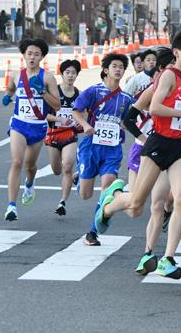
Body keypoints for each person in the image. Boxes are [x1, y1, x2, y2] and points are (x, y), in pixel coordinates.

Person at [94, 31, 181, 279]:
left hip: (180, 149)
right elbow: (154, 108)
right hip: (158, 145)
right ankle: (110, 204)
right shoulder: (169, 75)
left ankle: (168, 258)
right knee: (136, 203)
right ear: (176, 52)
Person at [121, 49, 177, 274]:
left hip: (172, 150)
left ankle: (150, 254)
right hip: (145, 149)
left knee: (163, 202)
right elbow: (128, 118)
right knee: (135, 207)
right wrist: (144, 139)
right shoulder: (152, 89)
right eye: (171, 66)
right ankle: (114, 196)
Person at [71, 53, 133, 245]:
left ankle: (92, 232)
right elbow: (76, 110)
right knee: (85, 194)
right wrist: (86, 125)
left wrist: (126, 126)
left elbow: (127, 120)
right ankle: (78, 178)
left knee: (107, 187)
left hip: (113, 149)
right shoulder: (93, 91)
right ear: (106, 70)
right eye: (114, 66)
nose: (118, 70)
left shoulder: (125, 98)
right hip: (91, 146)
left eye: (121, 67)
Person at [2, 39, 61, 221]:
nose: (32, 57)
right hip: (19, 124)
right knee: (17, 161)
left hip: (38, 126)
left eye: (36, 54)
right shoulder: (15, 75)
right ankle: (11, 206)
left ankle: (29, 183)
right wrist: (7, 96)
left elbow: (57, 105)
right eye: (29, 54)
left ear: (42, 57)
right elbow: (10, 89)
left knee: (30, 166)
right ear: (24, 55)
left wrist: (42, 92)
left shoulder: (47, 77)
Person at [46, 60, 81, 216]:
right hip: (53, 134)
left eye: (73, 73)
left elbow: (83, 115)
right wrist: (60, 120)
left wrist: (81, 124)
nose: (70, 75)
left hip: (70, 135)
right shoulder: (54, 93)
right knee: (57, 170)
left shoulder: (79, 95)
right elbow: (43, 114)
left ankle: (62, 202)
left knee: (67, 166)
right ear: (62, 74)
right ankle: (73, 177)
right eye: (67, 72)